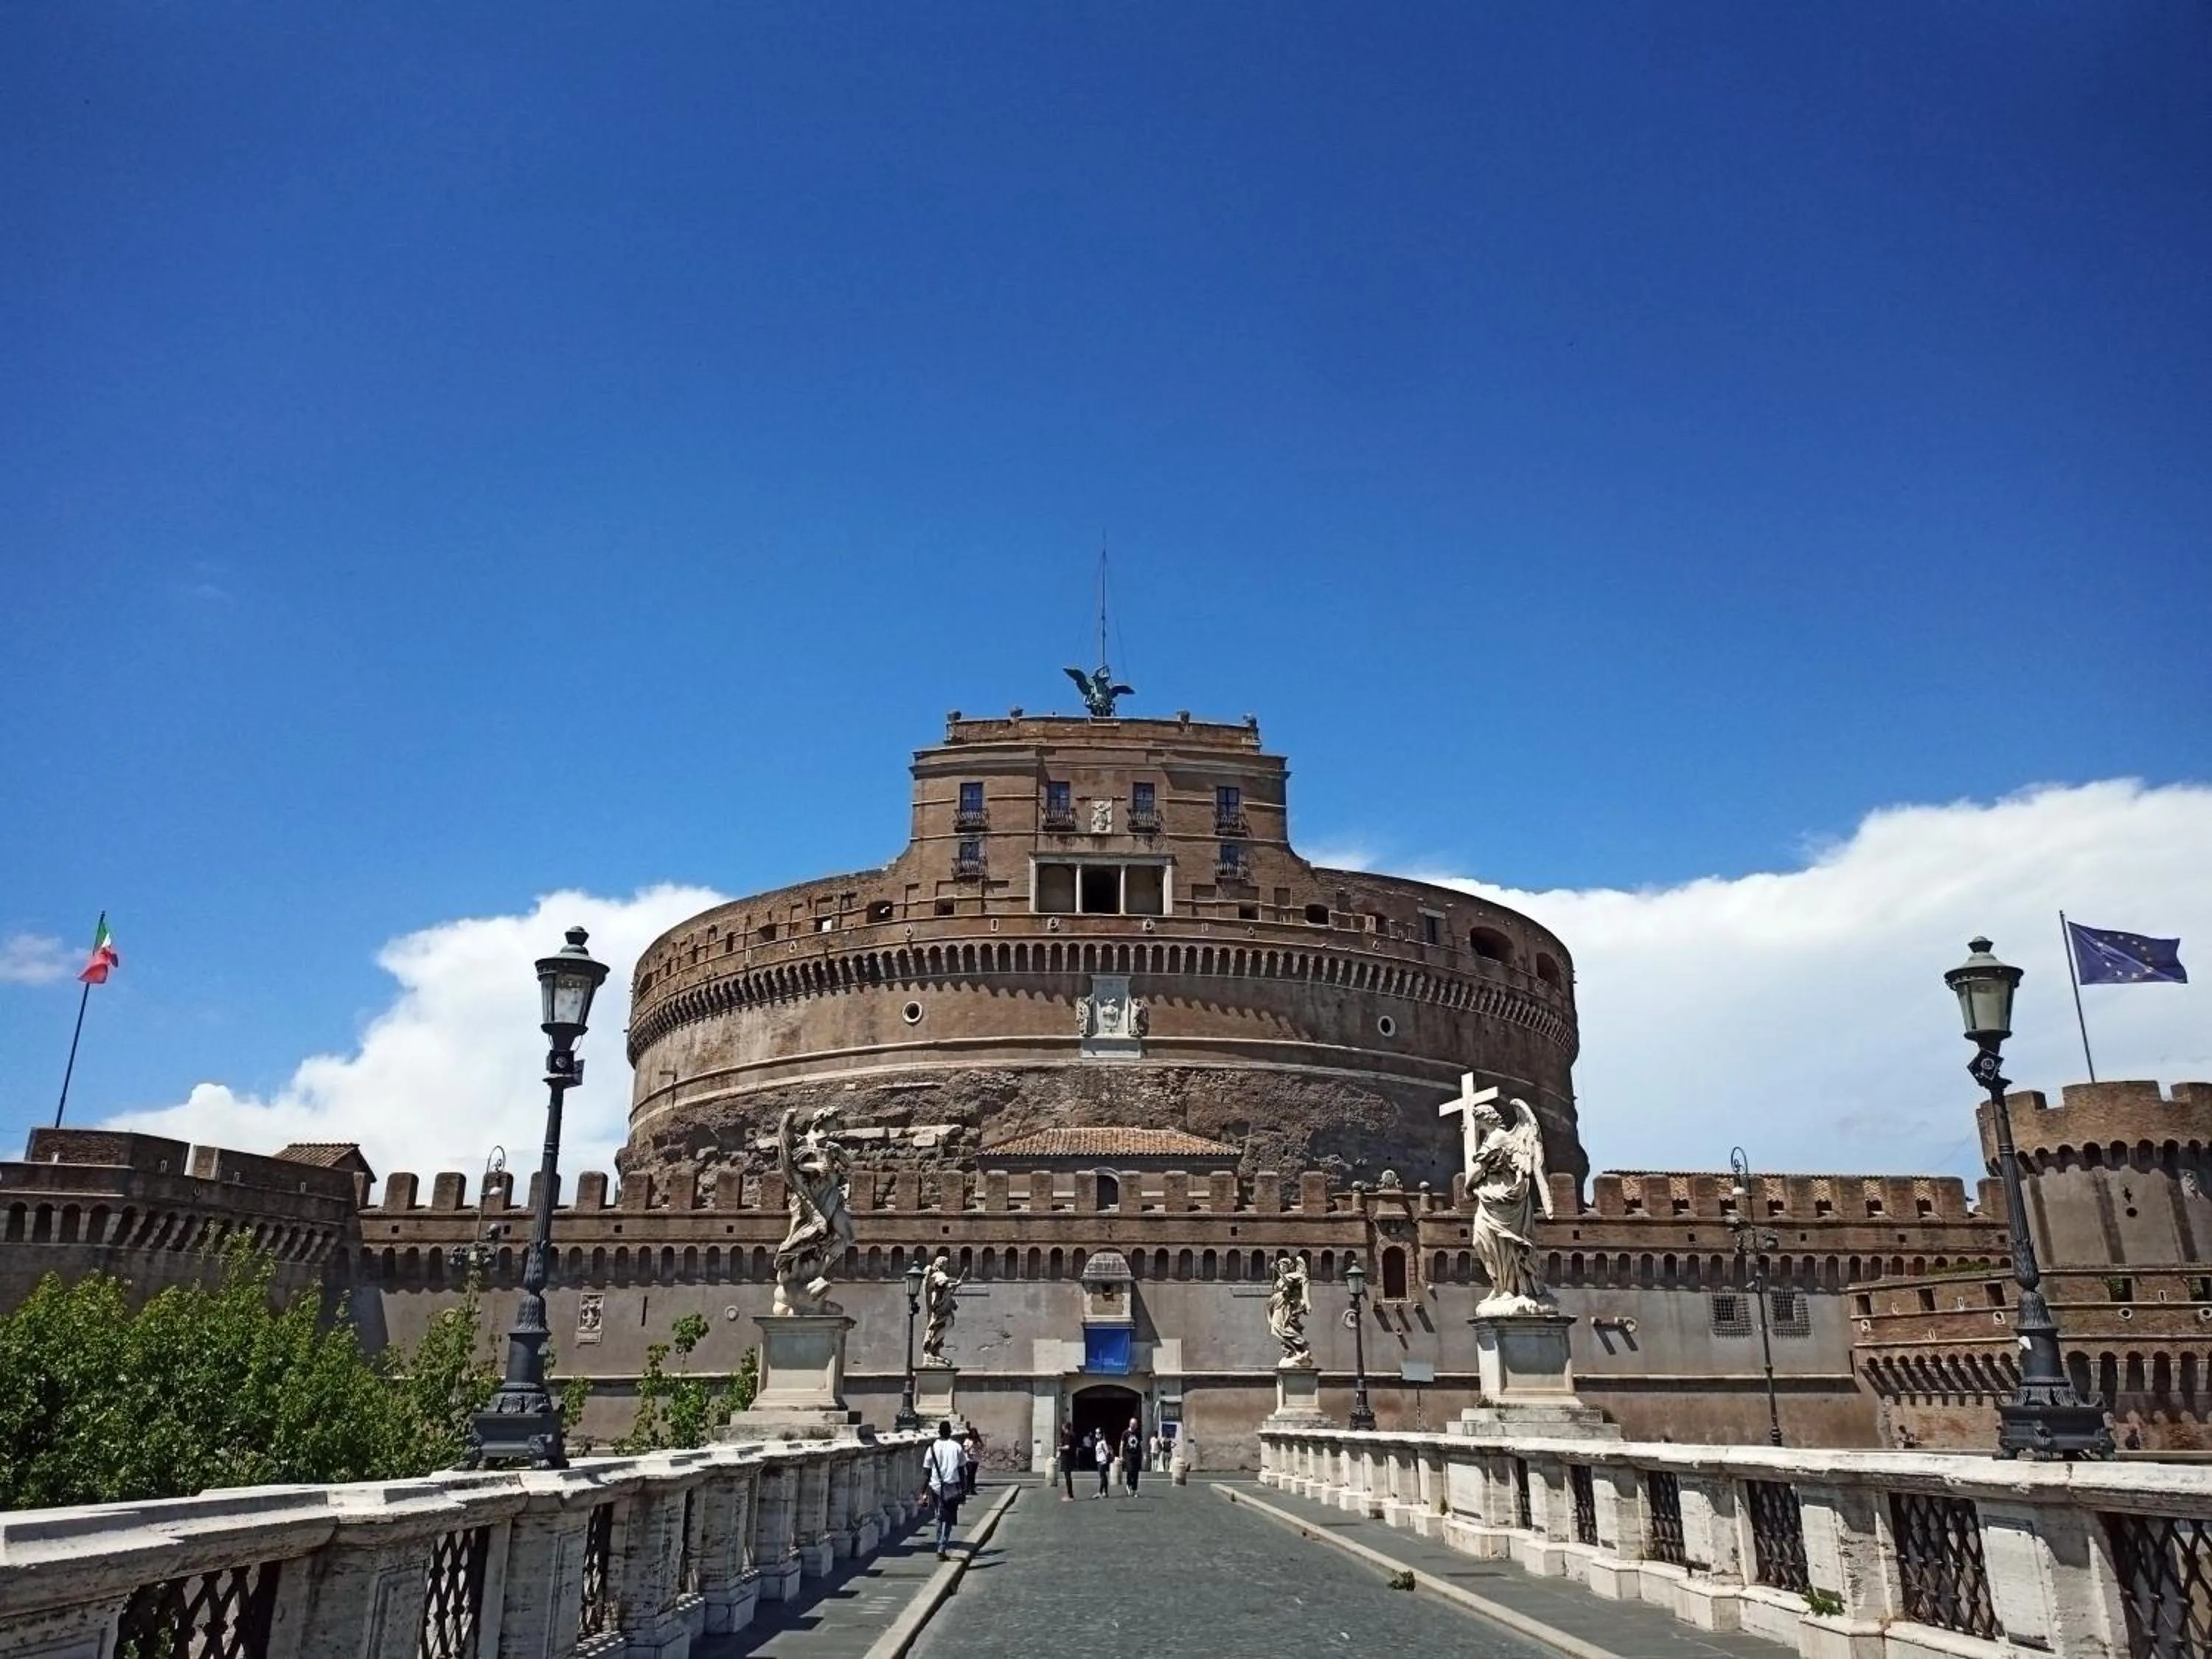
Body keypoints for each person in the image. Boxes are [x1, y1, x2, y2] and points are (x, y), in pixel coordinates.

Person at [924, 1420, 966, 1560]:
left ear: (939, 1432)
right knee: (948, 1518)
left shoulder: (932, 1448)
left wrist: (927, 1485)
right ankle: (942, 1546)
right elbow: (961, 1469)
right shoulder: (957, 1447)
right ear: (950, 1432)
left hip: (936, 1486)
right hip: (952, 1486)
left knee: (938, 1516)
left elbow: (927, 1469)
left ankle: (939, 1545)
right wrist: (964, 1489)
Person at [1057, 1422, 1079, 1501]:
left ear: (1065, 1427)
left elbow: (1067, 1447)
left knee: (1067, 1477)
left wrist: (1060, 1448)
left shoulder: (1067, 1436)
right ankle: (1070, 1494)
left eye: (1063, 1426)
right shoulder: (1073, 1435)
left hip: (1067, 1458)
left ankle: (1070, 1495)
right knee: (1068, 1476)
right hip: (1071, 1458)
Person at [1121, 1421, 1142, 1495]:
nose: (1135, 1426)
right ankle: (1128, 1484)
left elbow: (1140, 1444)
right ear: (1130, 1424)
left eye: (1136, 1425)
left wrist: (1142, 1455)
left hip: (1137, 1454)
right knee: (1130, 1470)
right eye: (1133, 1425)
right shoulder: (1125, 1433)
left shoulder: (1138, 1433)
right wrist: (1121, 1456)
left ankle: (1134, 1489)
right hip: (1129, 1454)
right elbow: (1122, 1444)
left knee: (1136, 1472)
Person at [1092, 1425, 1112, 1497]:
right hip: (1100, 1460)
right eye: (1096, 1433)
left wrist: (1107, 1459)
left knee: (1102, 1477)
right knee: (1104, 1477)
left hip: (1102, 1461)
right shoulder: (1098, 1442)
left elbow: (1107, 1451)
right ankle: (1105, 1492)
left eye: (1098, 1433)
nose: (1096, 1434)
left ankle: (1100, 1492)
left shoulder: (1103, 1442)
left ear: (1101, 1434)